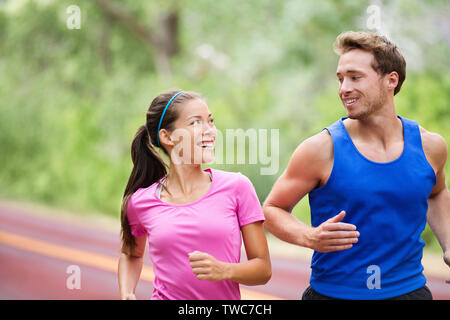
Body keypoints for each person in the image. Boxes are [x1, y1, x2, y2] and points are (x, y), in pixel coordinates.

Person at [263, 31, 449, 300]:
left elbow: (437, 193)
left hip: (410, 292)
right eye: (340, 79)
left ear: (391, 80)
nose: (343, 88)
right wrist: (309, 236)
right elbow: (272, 209)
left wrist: (448, 245)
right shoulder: (320, 149)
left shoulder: (431, 146)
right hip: (334, 295)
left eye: (355, 77)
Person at [118, 89, 271, 300]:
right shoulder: (140, 202)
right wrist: (127, 293)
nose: (209, 130)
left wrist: (225, 270)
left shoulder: (237, 187)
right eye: (196, 123)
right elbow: (130, 254)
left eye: (210, 121)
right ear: (167, 137)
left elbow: (263, 270)